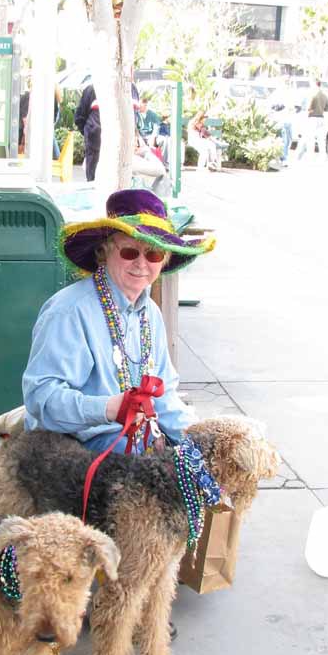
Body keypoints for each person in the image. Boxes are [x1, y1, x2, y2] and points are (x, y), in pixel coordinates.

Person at [23, 189, 215, 455]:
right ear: (105, 252)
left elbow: (165, 397)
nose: (141, 263)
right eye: (129, 251)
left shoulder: (150, 313)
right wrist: (108, 408)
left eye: (154, 255)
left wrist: (202, 440)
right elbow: (41, 399)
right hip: (72, 450)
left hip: (135, 440)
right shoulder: (70, 310)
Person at [74, 78, 141, 182]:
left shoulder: (131, 89)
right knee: (99, 181)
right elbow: (80, 118)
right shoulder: (93, 89)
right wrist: (90, 134)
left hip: (116, 145)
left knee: (115, 182)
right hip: (100, 145)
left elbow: (79, 118)